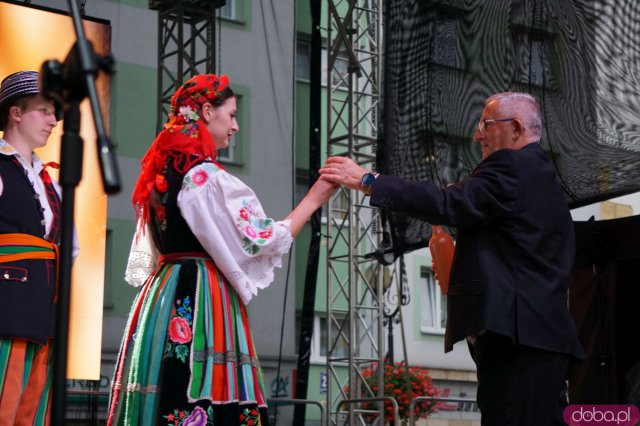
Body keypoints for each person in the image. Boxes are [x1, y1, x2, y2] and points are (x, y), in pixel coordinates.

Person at [320, 92, 586, 425]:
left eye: (485, 125)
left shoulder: (513, 165)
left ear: (516, 129)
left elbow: (450, 203)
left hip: (520, 341)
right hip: (538, 338)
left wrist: (368, 180)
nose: (478, 135)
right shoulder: (541, 176)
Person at [107, 73, 336, 425]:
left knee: (163, 378)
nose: (236, 127)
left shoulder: (158, 176)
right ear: (207, 112)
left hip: (162, 290)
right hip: (201, 294)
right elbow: (263, 239)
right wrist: (314, 198)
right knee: (200, 384)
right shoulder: (204, 178)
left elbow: (152, 248)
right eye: (231, 115)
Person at [0, 70, 73, 425]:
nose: (54, 120)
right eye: (44, 110)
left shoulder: (50, 182)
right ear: (16, 113)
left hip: (43, 313)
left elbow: (69, 247)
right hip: (5, 309)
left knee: (33, 411)